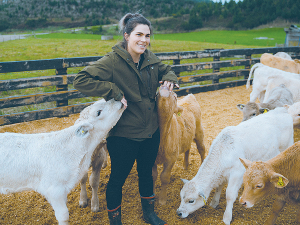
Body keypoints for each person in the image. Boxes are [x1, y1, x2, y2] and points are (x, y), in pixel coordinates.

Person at [73, 13, 179, 225]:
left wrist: (169, 78)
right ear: (127, 36)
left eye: (147, 35)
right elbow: (80, 80)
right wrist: (111, 89)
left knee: (146, 174)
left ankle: (149, 214)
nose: (144, 40)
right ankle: (115, 221)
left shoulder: (150, 58)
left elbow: (166, 69)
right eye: (139, 34)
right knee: (117, 180)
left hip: (151, 131)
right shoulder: (112, 61)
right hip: (124, 135)